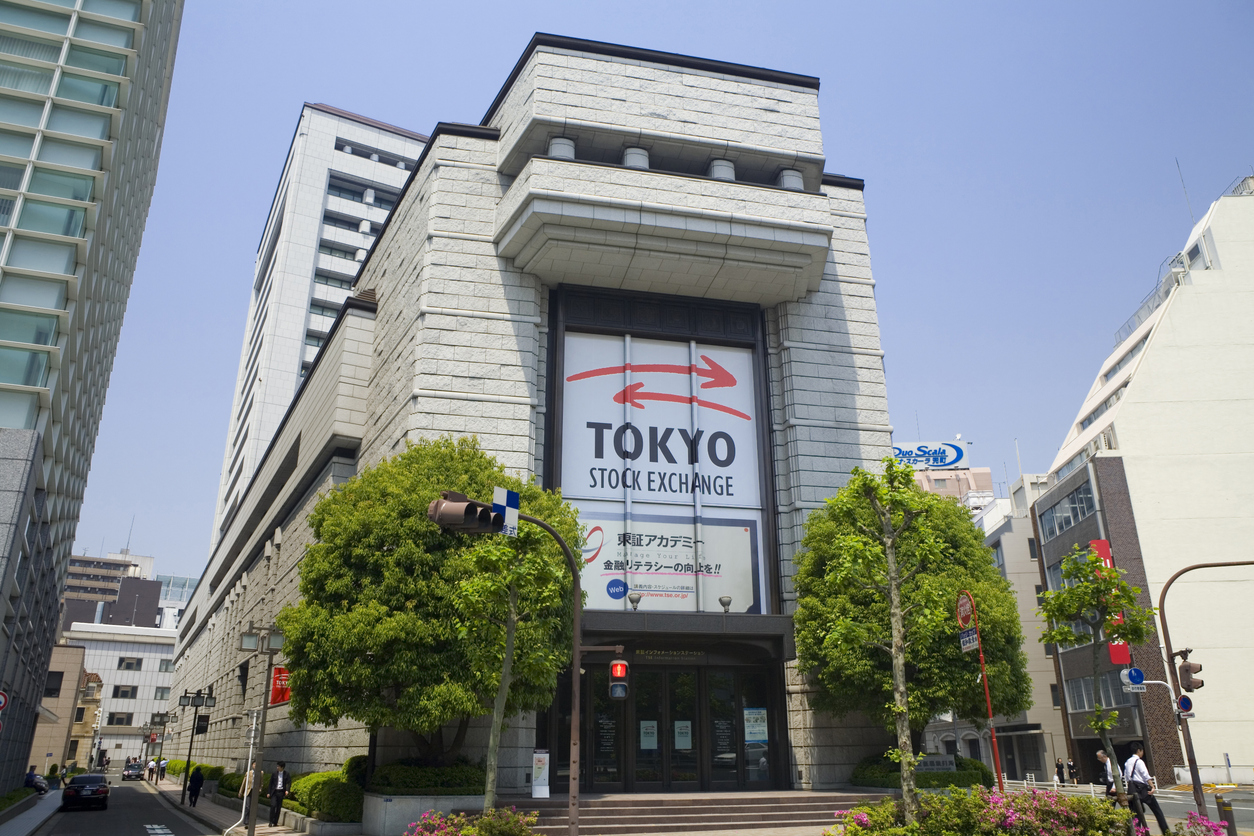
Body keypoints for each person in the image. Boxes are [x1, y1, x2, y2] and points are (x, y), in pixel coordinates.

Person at [1124, 743, 1170, 835]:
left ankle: (1137, 833)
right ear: (1139, 751)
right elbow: (1145, 775)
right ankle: (1166, 831)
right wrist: (1152, 786)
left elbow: (1126, 776)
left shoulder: (1127, 762)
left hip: (1132, 789)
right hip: (1142, 789)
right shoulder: (1139, 762)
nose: (1142, 753)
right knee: (1157, 810)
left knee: (1137, 813)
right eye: (1142, 751)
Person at [267, 761, 289, 826]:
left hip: (281, 792)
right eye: (277, 766)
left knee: (278, 808)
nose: (277, 767)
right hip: (274, 792)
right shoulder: (274, 773)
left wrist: (287, 790)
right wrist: (269, 792)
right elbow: (270, 783)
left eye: (278, 766)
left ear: (282, 767)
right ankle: (270, 821)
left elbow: (289, 783)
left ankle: (275, 821)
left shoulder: (286, 774)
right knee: (273, 806)